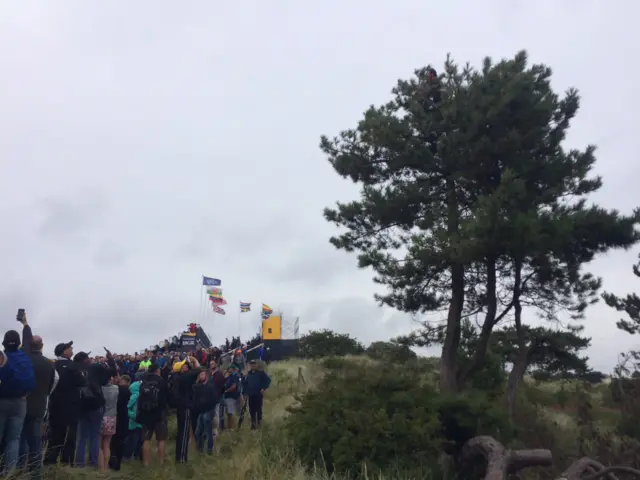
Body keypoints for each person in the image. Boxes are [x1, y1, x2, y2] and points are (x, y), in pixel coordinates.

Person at [18, 314, 57, 480]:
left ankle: (18, 468)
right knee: (35, 442)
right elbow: (52, 385)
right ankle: (35, 473)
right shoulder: (49, 364)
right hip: (39, 406)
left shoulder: (24, 360)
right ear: (42, 346)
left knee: (19, 438)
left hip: (21, 403)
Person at [0, 329, 36, 475]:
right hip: (21, 402)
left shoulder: (3, 358)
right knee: (14, 439)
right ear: (19, 343)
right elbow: (31, 382)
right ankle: (9, 472)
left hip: (2, 401)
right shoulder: (25, 357)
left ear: (4, 342)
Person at [136, 364, 169, 467]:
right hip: (159, 414)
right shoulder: (161, 381)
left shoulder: (142, 381)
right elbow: (166, 396)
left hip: (145, 414)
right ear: (157, 370)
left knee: (146, 440)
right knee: (161, 439)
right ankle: (161, 463)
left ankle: (146, 464)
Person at [170, 357, 201, 463]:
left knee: (180, 432)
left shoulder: (175, 377)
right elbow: (198, 369)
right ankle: (182, 459)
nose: (187, 366)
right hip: (185, 406)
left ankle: (178, 457)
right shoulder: (184, 377)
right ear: (180, 369)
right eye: (185, 366)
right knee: (184, 433)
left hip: (179, 407)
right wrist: (195, 360)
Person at [192, 370, 218, 454]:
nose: (200, 376)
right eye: (200, 375)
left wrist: (209, 407)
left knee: (208, 432)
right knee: (198, 432)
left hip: (208, 411)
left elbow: (214, 399)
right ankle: (200, 449)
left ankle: (209, 451)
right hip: (202, 411)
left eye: (202, 374)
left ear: (206, 375)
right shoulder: (200, 386)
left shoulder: (210, 386)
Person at [109, 374, 131, 470]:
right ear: (128, 382)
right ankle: (118, 463)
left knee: (111, 441)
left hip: (113, 416)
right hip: (124, 419)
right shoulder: (128, 392)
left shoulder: (116, 389)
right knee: (121, 442)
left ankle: (111, 461)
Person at [242, 360, 271, 430]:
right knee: (251, 410)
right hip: (250, 395)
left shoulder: (261, 373)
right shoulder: (248, 374)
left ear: (256, 365)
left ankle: (259, 422)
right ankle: (253, 424)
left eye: (254, 364)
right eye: (251, 364)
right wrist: (244, 394)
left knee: (258, 409)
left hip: (258, 394)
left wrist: (263, 388)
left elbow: (268, 380)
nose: (253, 366)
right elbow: (244, 384)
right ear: (250, 366)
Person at [99, 375, 118, 471]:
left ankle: (101, 468)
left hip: (101, 417)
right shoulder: (116, 388)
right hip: (112, 417)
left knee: (99, 445)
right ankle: (106, 467)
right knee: (107, 444)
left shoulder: (100, 389)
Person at [223, 364, 242, 430]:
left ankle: (231, 427)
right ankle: (230, 426)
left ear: (233, 369)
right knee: (228, 413)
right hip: (227, 396)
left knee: (230, 412)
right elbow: (223, 381)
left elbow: (234, 386)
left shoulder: (235, 376)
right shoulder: (229, 376)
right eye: (228, 368)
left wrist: (226, 391)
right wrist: (225, 374)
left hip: (232, 396)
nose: (228, 369)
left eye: (230, 368)